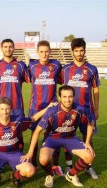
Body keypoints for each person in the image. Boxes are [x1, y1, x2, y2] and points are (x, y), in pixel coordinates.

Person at [23, 85, 95, 188]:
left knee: (89, 156)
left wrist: (87, 142)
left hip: (70, 138)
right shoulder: (52, 111)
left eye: (70, 96)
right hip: (52, 138)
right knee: (43, 159)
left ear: (74, 97)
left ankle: (71, 175)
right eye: (64, 97)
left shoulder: (80, 109)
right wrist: (30, 152)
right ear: (60, 98)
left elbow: (90, 123)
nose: (67, 100)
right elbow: (37, 131)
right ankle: (50, 174)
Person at [60, 38, 100, 179]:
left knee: (88, 137)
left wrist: (96, 109)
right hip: (69, 111)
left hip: (87, 110)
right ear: (72, 52)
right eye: (76, 51)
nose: (79, 53)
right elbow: (55, 84)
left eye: (81, 50)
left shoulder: (91, 69)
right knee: (68, 137)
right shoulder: (65, 69)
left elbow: (95, 89)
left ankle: (88, 167)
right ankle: (69, 166)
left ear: (84, 51)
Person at [0, 97, 43, 188]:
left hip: (15, 153)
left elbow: (33, 118)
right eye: (2, 109)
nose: (5, 112)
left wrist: (48, 108)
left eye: (7, 109)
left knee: (30, 171)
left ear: (11, 109)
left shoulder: (18, 121)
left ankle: (16, 176)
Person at [27, 40, 63, 175]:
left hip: (52, 106)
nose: (44, 54)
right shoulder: (31, 66)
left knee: (54, 134)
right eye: (41, 51)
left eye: (47, 51)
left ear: (50, 52)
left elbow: (62, 80)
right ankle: (33, 162)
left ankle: (55, 165)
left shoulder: (56, 65)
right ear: (37, 52)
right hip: (35, 106)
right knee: (34, 134)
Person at [0, 38, 30, 117]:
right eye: (5, 47)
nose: (8, 49)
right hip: (1, 106)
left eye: (10, 47)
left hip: (17, 106)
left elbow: (30, 80)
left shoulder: (21, 65)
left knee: (18, 129)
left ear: (13, 48)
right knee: (0, 129)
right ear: (1, 48)